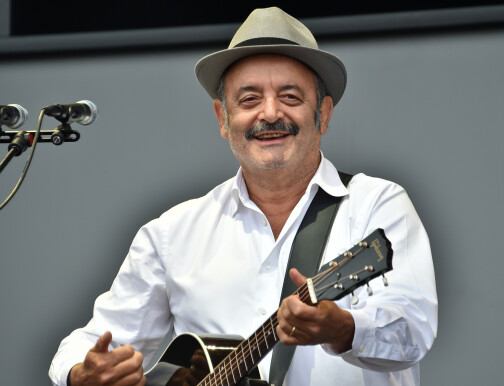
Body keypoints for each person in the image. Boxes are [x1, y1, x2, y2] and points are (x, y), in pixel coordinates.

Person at [49, 6, 437, 386]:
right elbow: (89, 344)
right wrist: (83, 374)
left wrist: (344, 329)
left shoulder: (377, 204)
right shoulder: (172, 233)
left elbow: (413, 331)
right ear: (222, 117)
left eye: (290, 97)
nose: (269, 113)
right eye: (249, 99)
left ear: (324, 113)